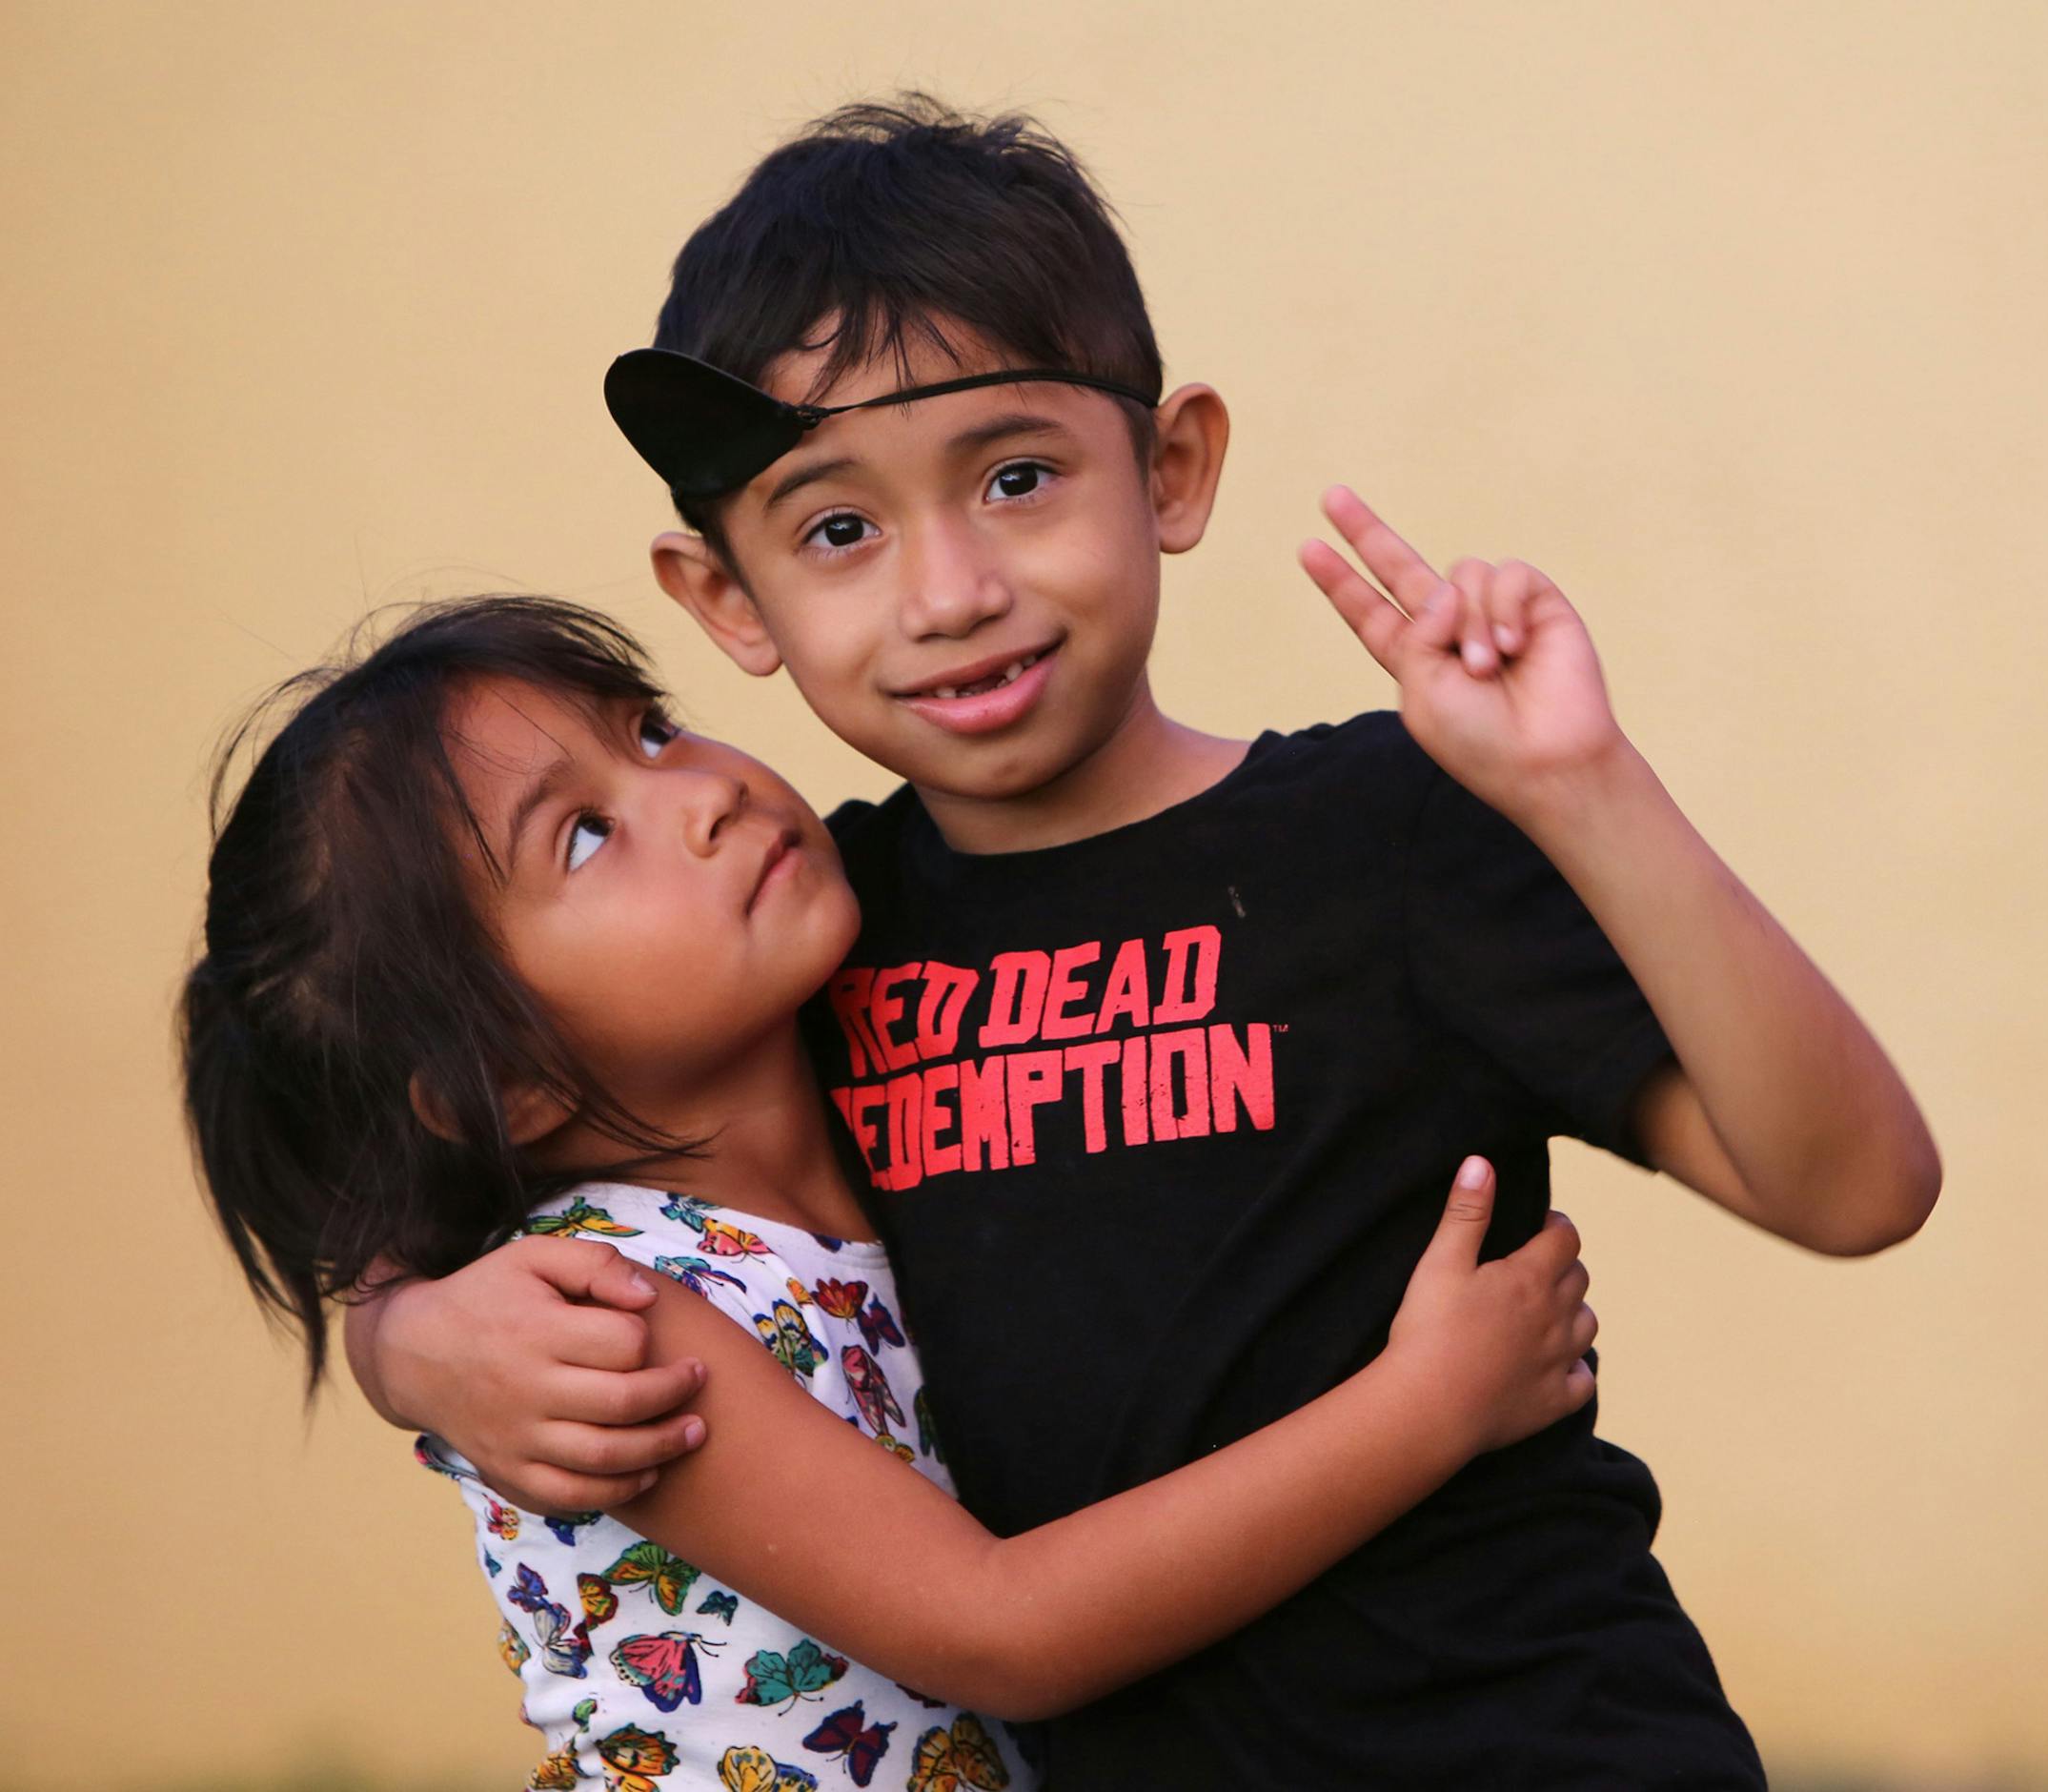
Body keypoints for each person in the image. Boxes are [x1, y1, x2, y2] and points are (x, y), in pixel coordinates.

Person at [351, 100, 1941, 1786]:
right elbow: (466, 1134)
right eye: (839, 530)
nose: (949, 588)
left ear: (1168, 470)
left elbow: (1851, 1186)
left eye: (1019, 479)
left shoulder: (1388, 832)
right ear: (727, 598)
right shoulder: (806, 938)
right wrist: (410, 1340)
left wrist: (1585, 791)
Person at [182, 596, 1604, 1790]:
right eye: (588, 837)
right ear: (514, 1085)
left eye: (652, 730)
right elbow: (1002, 1631)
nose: (705, 792)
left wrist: (395, 1334)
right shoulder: (617, 1322)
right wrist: (1425, 1408)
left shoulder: (879, 1079)